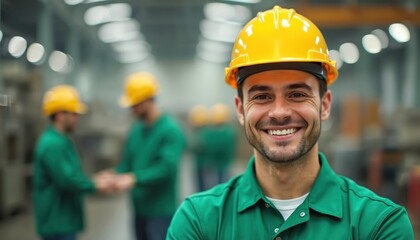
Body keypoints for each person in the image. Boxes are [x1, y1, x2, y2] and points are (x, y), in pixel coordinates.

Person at [167, 6, 415, 239]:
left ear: (325, 105)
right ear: (241, 110)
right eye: (262, 96)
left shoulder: (379, 225)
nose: (279, 112)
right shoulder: (198, 222)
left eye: (297, 94)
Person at [33, 85, 112, 240]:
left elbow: (71, 173)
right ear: (60, 115)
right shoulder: (52, 144)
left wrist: (94, 179)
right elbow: (67, 180)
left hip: (64, 219)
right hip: (57, 222)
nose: (78, 118)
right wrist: (95, 185)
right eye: (74, 114)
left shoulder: (62, 140)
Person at [113, 72, 186, 240]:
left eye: (135, 104)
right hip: (139, 209)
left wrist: (134, 179)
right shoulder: (136, 129)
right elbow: (128, 163)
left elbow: (166, 169)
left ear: (147, 101)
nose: (132, 109)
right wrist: (114, 174)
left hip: (160, 211)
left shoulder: (170, 130)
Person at [206, 103, 237, 186]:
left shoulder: (227, 132)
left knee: (223, 182)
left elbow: (221, 147)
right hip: (215, 162)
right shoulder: (215, 131)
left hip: (224, 162)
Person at [187, 105, 212, 191]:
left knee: (204, 186)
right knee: (201, 186)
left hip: (204, 164)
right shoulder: (202, 132)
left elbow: (196, 146)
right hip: (200, 163)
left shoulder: (203, 133)